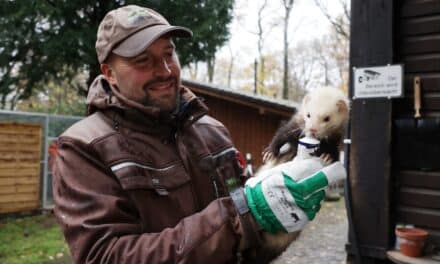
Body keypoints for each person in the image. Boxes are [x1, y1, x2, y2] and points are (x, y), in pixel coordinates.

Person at [52, 5, 336, 263]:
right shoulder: (82, 149)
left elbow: (250, 240)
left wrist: (283, 219)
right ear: (109, 73)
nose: (164, 70)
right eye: (142, 61)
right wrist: (240, 216)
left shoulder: (213, 133)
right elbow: (105, 257)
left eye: (168, 53)